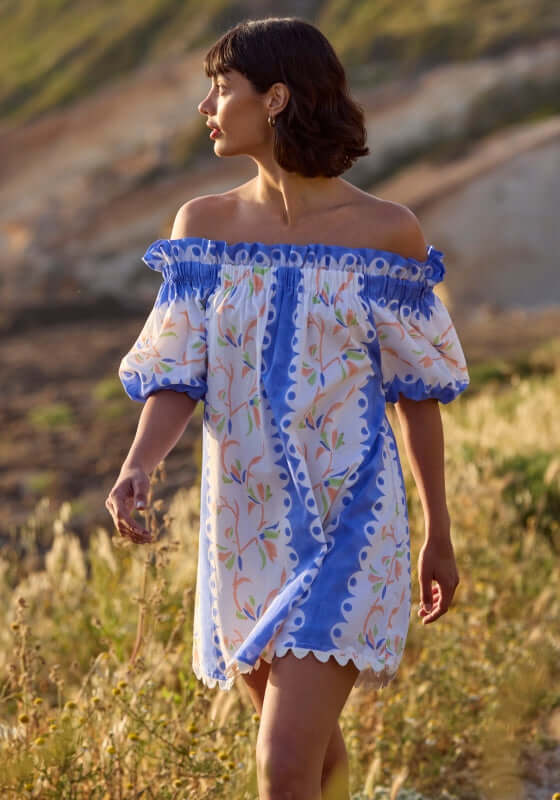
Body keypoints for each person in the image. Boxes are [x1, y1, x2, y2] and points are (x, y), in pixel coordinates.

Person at [105, 16, 470, 800]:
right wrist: (139, 464)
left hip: (353, 520)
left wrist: (437, 528)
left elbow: (416, 394)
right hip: (242, 527)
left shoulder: (386, 233)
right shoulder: (202, 229)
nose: (207, 105)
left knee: (281, 765)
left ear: (274, 98)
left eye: (222, 87)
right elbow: (177, 372)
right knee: (309, 754)